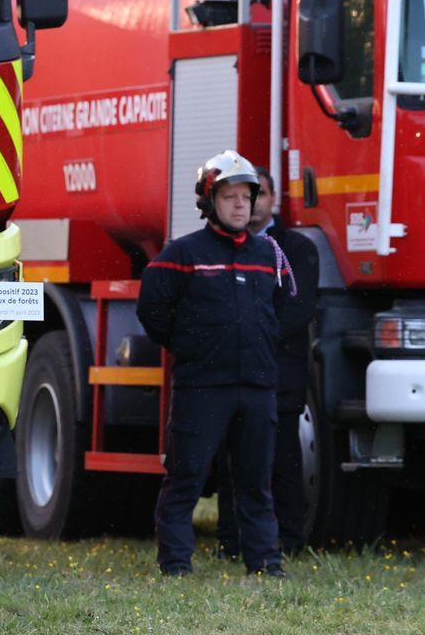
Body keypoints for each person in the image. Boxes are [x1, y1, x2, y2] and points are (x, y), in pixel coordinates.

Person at [137, 150, 293, 578]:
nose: (242, 204)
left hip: (257, 388)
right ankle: (176, 566)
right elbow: (153, 311)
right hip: (202, 387)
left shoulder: (269, 255)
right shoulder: (180, 255)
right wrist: (192, 348)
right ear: (209, 202)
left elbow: (281, 310)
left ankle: (265, 565)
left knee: (256, 483)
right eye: (230, 196)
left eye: (248, 196)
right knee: (185, 479)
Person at [214, 167, 319, 558]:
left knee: (283, 461)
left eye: (258, 194)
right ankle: (231, 541)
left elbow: (298, 309)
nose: (251, 203)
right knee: (231, 462)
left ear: (274, 199)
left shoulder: (297, 249)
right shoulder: (216, 246)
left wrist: (251, 339)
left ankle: (289, 539)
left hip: (279, 374)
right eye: (241, 195)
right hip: (229, 373)